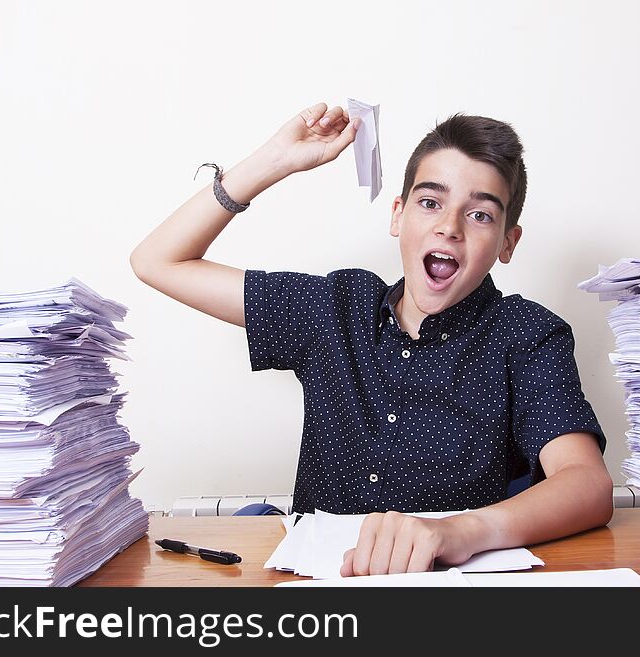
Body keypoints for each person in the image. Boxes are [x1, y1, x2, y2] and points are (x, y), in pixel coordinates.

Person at [130, 101, 613, 577]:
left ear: (508, 242)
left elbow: (586, 484)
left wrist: (460, 533)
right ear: (397, 216)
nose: (449, 226)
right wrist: (273, 161)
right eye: (430, 203)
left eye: (481, 215)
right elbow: (158, 261)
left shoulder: (528, 335)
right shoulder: (334, 308)